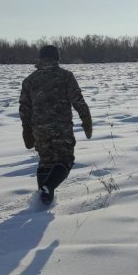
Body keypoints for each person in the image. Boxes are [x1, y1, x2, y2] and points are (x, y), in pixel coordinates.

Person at [19, 45, 93, 204]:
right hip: (61, 127)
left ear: (40, 58)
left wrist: (27, 129)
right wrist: (86, 118)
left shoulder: (29, 80)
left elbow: (24, 107)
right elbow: (77, 100)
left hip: (39, 129)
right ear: (57, 58)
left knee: (46, 160)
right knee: (65, 159)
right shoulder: (65, 76)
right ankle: (48, 188)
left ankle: (43, 198)